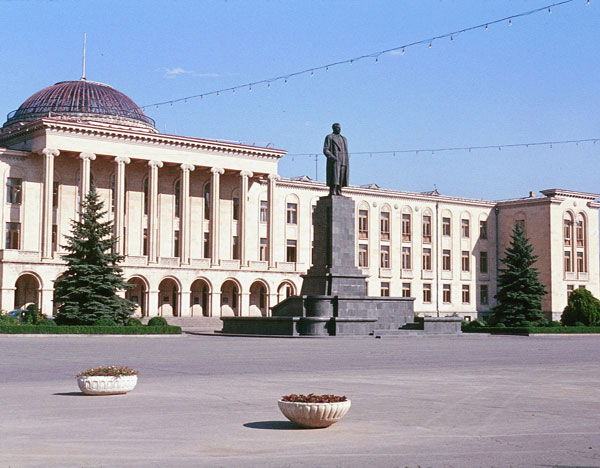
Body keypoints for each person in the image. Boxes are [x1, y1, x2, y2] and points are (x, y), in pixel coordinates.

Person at [323, 123, 349, 196]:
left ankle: (339, 190)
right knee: (335, 177)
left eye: (340, 128)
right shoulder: (329, 137)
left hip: (343, 161)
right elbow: (325, 150)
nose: (339, 129)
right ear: (333, 128)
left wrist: (346, 160)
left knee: (341, 177)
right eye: (337, 127)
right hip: (334, 161)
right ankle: (333, 190)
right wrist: (332, 158)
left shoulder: (344, 139)